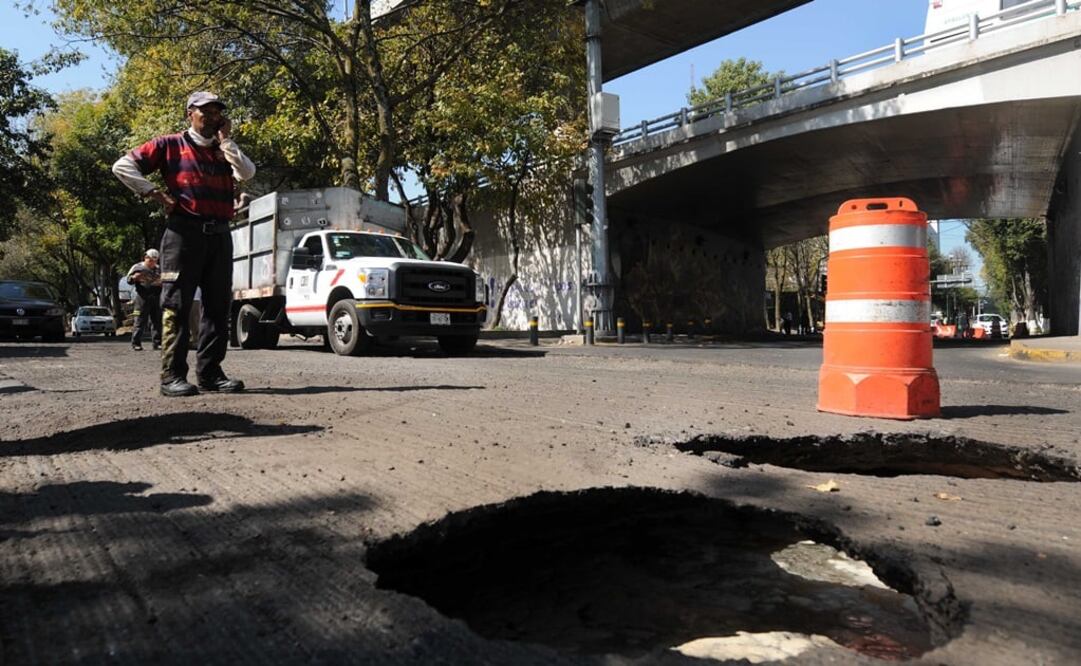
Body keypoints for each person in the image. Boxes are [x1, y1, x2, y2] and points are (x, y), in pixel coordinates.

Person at [112, 91, 255, 397]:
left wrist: (226, 141)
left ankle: (211, 373)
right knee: (176, 305)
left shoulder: (223, 150)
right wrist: (154, 192)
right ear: (190, 113)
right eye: (206, 111)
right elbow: (122, 166)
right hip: (182, 234)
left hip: (219, 234)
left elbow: (247, 172)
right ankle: (172, 376)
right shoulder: (169, 145)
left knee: (218, 306)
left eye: (218, 112)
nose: (213, 117)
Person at [126, 249, 163, 351]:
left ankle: (157, 343)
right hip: (142, 298)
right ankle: (136, 343)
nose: (152, 263)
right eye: (150, 260)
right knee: (140, 321)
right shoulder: (137, 267)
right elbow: (128, 280)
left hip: (156, 298)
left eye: (155, 261)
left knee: (157, 321)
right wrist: (134, 278)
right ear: (145, 258)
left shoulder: (159, 269)